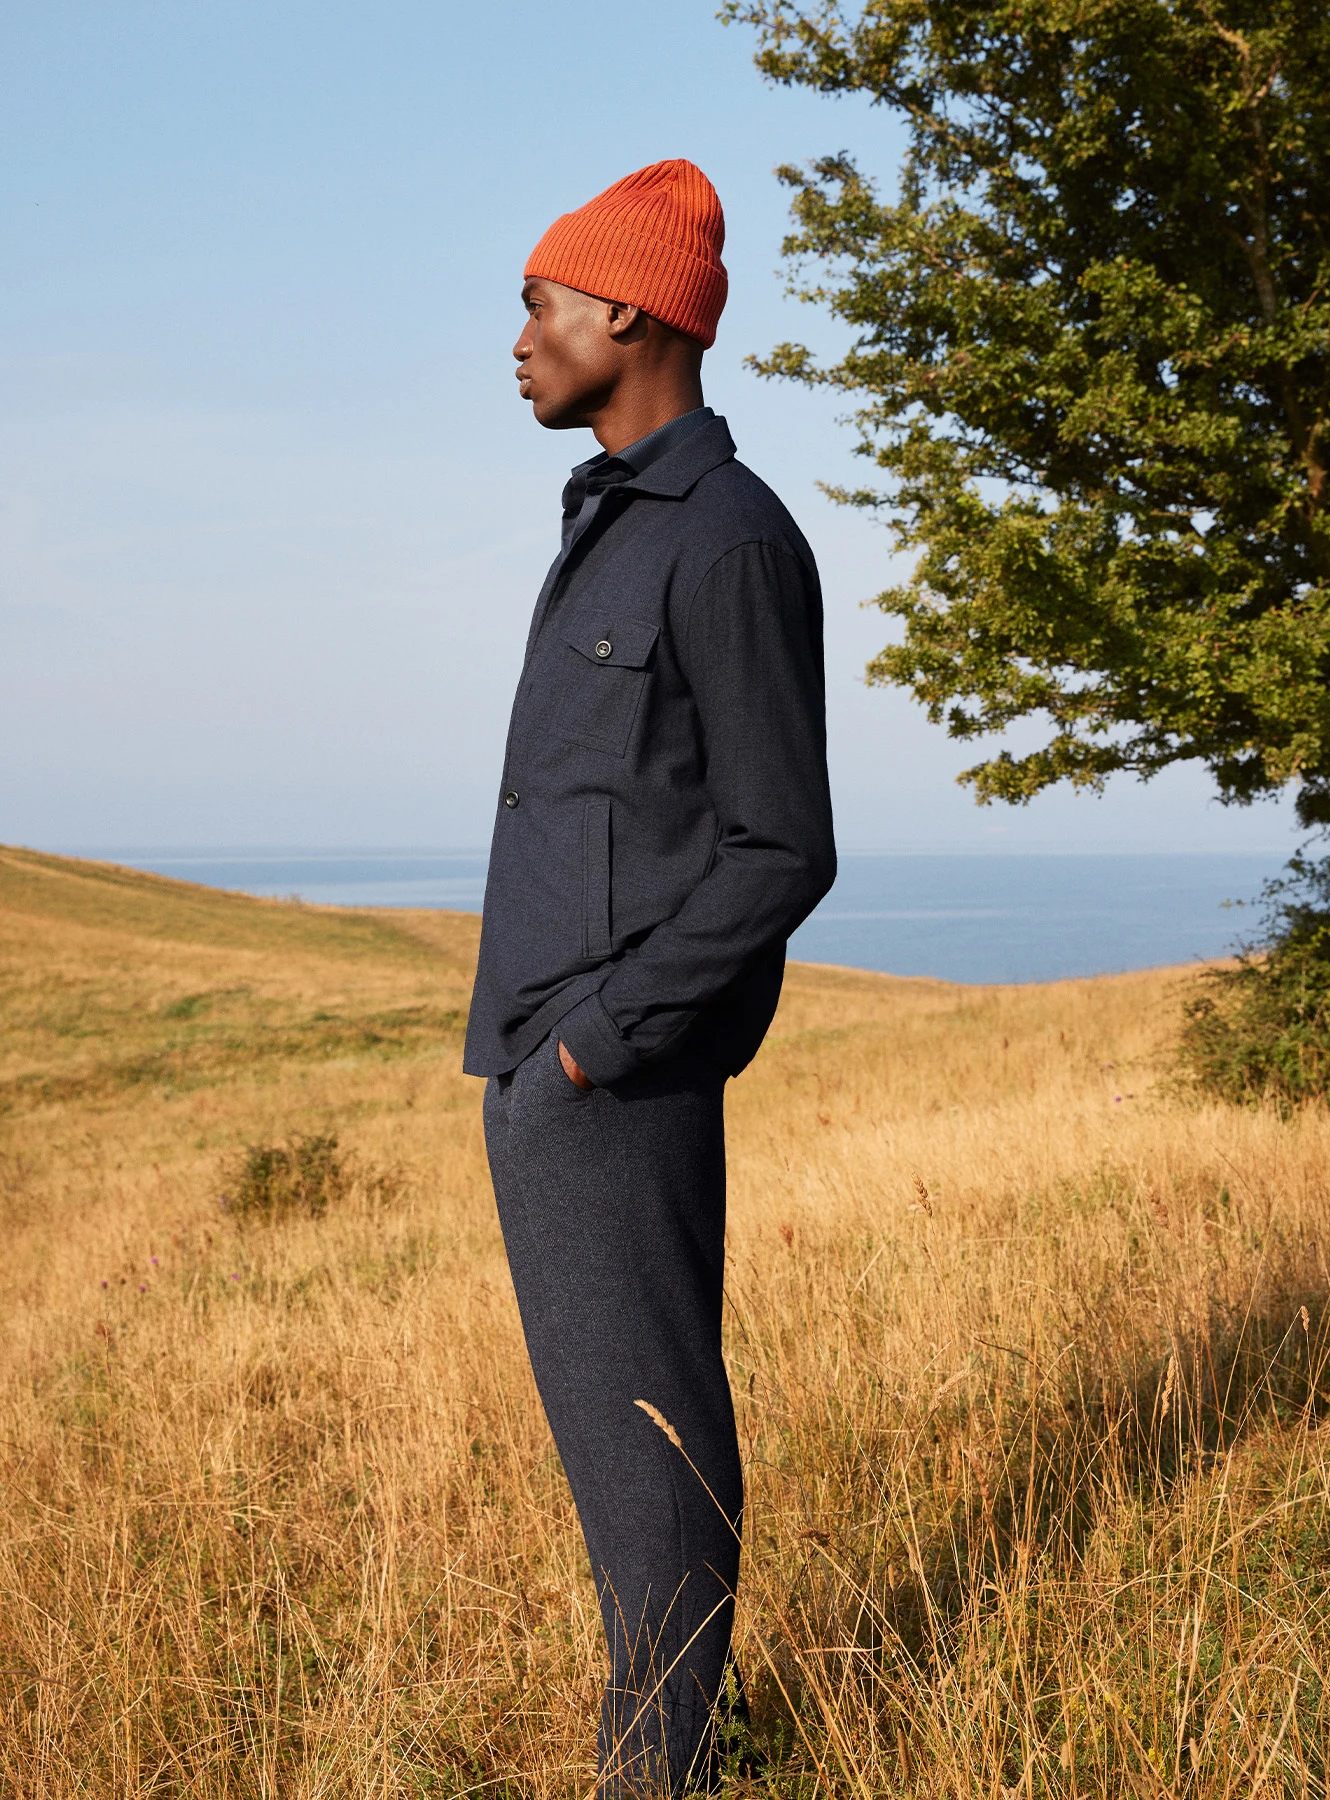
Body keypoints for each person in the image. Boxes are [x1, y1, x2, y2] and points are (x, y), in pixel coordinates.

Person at [464, 158, 836, 1797]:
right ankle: (669, 1758)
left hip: (613, 1075)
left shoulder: (730, 542)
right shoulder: (608, 525)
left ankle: (663, 1779)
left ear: (627, 310)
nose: (521, 338)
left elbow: (781, 848)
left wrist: (595, 1048)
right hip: (551, 1073)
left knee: (649, 1457)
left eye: (539, 303)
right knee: (616, 1473)